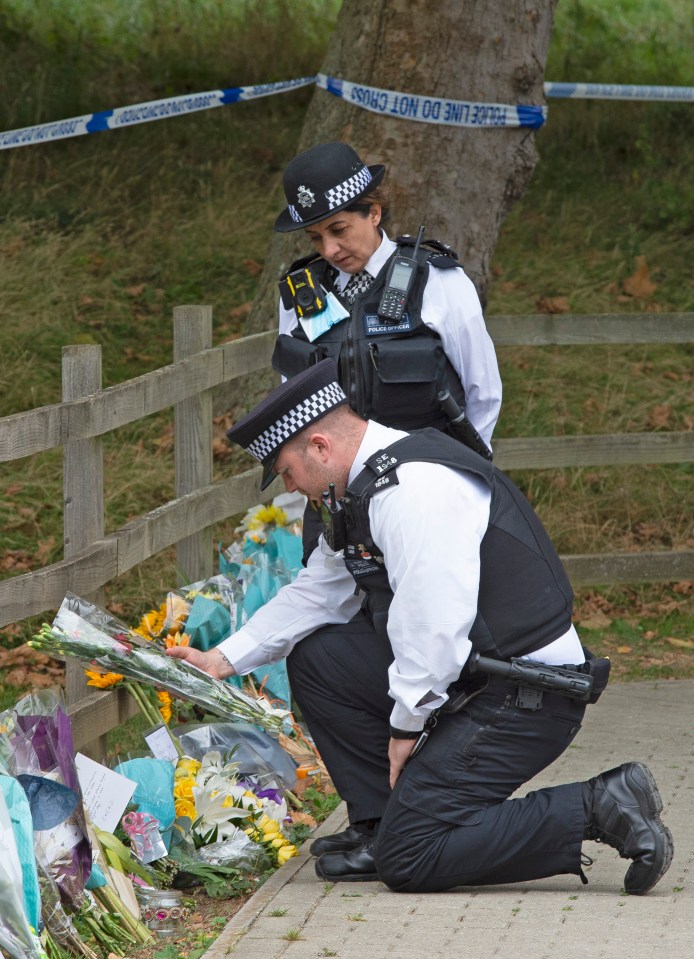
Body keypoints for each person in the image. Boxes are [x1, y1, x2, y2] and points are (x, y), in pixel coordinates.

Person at [167, 360, 674, 895]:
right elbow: (320, 590)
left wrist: (405, 728)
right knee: (319, 658)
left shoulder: (414, 490)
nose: (289, 487)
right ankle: (383, 826)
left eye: (288, 472)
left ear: (320, 446)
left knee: (411, 860)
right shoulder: (365, 486)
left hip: (525, 698)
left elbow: (434, 629)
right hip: (480, 678)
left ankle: (599, 804)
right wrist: (222, 659)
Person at [272, 140, 501, 461]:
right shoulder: (301, 293)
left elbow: (483, 391)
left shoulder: (438, 281)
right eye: (315, 237)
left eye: (339, 230)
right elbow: (292, 396)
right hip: (337, 488)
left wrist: (469, 467)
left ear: (374, 213)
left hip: (428, 476)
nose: (329, 249)